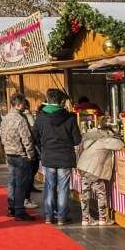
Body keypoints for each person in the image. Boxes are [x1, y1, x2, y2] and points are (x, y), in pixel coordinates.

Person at [32, 88, 82, 225]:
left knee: (49, 186)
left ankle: (48, 216)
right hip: (65, 156)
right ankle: (61, 217)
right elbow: (77, 140)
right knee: (63, 188)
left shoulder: (40, 117)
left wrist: (43, 145)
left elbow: (34, 136)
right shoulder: (70, 117)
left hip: (48, 156)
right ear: (61, 101)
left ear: (48, 100)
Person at [76, 126, 124, 226]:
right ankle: (103, 218)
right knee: (101, 193)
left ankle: (85, 218)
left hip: (83, 168)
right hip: (93, 170)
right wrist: (117, 138)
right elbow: (120, 145)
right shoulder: (105, 140)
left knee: (85, 193)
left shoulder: (92, 139)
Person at [1, 93, 37, 221]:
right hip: (20, 154)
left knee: (12, 181)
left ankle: (11, 207)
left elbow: (2, 135)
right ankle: (19, 210)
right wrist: (31, 154)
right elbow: (26, 138)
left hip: (9, 153)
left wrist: (6, 147)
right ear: (19, 104)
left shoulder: (5, 118)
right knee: (21, 183)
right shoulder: (20, 119)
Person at [23, 99, 42, 198]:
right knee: (32, 169)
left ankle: (30, 186)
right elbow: (34, 128)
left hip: (28, 146)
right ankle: (27, 192)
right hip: (31, 145)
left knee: (32, 169)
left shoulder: (23, 115)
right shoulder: (26, 115)